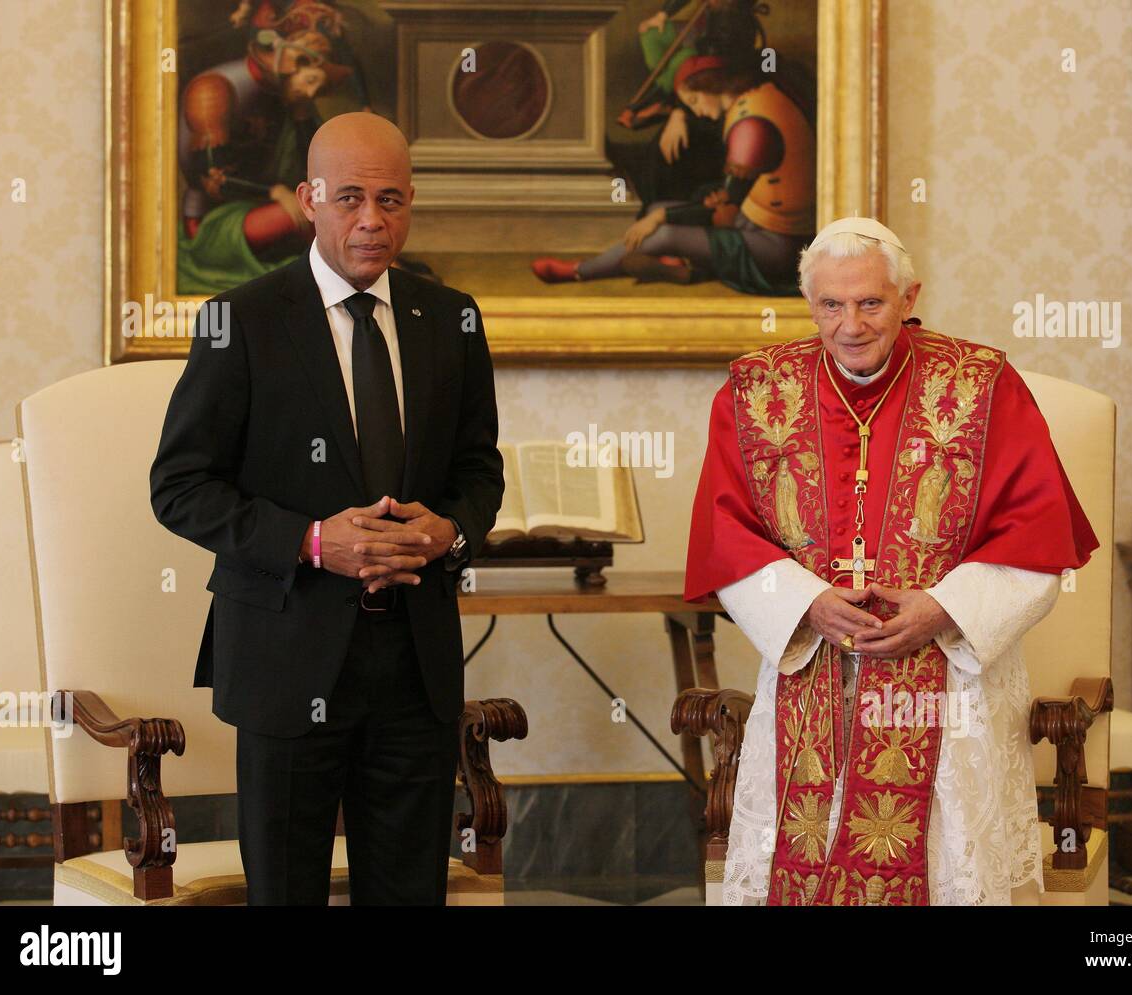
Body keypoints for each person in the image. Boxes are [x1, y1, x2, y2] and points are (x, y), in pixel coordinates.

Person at [684, 216, 1099, 905]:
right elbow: (726, 534)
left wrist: (943, 608)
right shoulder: (757, 392)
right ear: (810, 303)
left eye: (870, 302)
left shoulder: (983, 386)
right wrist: (806, 600)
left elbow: (1037, 535)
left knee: (945, 869)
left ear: (909, 297)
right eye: (830, 304)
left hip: (950, 684)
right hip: (810, 674)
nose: (850, 324)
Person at [151, 111, 503, 905]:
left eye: (391, 199)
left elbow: (480, 471)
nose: (372, 220)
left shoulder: (451, 319)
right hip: (285, 654)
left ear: (412, 202)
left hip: (415, 663)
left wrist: (450, 530)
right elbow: (178, 485)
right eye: (349, 197)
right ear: (308, 199)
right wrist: (312, 540)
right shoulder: (239, 319)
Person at [533, 54, 814, 294]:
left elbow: (724, 209)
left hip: (779, 248)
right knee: (657, 209)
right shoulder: (756, 95)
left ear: (711, 85)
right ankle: (683, 264)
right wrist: (659, 213)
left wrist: (660, 219)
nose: (695, 110)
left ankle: (580, 271)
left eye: (693, 100)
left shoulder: (750, 127)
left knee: (663, 231)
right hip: (758, 220)